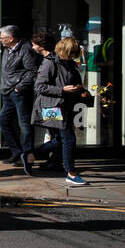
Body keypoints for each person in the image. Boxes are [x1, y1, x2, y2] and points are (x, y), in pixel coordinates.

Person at [25, 34, 89, 186]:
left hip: (64, 106)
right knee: (68, 139)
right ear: (64, 50)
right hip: (50, 106)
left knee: (59, 140)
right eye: (71, 53)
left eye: (75, 53)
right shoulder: (49, 63)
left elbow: (73, 80)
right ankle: (71, 173)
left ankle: (32, 155)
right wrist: (62, 89)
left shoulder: (69, 63)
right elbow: (39, 87)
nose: (73, 56)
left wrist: (79, 88)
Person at [0, 24, 39, 166]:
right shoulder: (7, 50)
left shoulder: (25, 49)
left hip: (19, 92)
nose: (0, 40)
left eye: (2, 38)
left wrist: (20, 87)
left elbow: (32, 71)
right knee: (2, 121)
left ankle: (27, 156)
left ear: (11, 38)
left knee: (24, 124)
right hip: (8, 91)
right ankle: (16, 152)